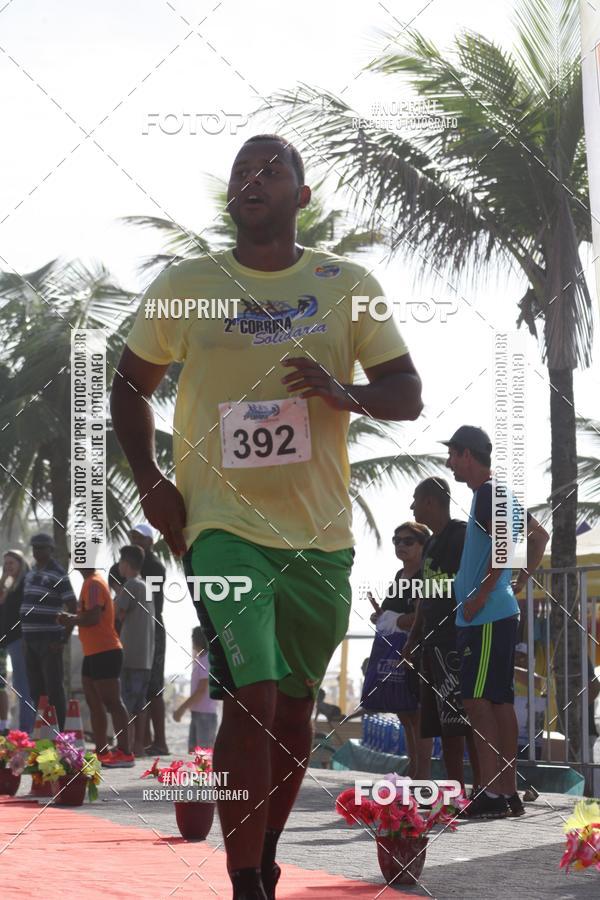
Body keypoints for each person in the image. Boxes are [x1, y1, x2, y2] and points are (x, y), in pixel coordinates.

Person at [110, 133, 422, 900]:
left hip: (321, 538)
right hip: (219, 527)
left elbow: (407, 393)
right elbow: (128, 385)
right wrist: (151, 479)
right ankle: (245, 879)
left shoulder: (349, 283)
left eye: (272, 169)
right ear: (232, 195)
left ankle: (266, 847)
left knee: (291, 714)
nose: (255, 177)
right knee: (250, 697)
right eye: (243, 170)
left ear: (301, 197)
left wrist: (341, 393)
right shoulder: (187, 283)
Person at [444, 425, 549, 818]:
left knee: (477, 701)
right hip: (495, 612)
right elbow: (539, 537)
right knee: (499, 700)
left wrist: (486, 592)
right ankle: (506, 792)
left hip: (486, 616)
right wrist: (519, 581)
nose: (449, 463)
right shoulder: (497, 494)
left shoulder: (489, 492)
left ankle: (492, 792)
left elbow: (508, 543)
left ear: (467, 455)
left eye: (453, 455)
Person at [403, 478, 481, 794]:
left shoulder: (461, 536)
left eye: (415, 500)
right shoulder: (433, 543)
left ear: (430, 502)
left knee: (467, 724)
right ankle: (455, 792)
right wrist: (413, 638)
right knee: (443, 726)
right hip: (431, 645)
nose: (412, 507)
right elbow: (424, 595)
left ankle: (483, 787)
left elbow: (472, 582)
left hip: (455, 640)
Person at [371, 521, 433, 779]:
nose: (400, 545)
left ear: (423, 545)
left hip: (421, 650)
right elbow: (391, 613)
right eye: (396, 541)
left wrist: (393, 619)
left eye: (408, 541)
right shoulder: (400, 576)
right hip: (398, 651)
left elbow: (421, 616)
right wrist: (382, 617)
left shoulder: (426, 576)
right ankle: (414, 770)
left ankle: (422, 776)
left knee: (419, 716)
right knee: (405, 714)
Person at [57, 568, 133, 767]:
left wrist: (70, 619)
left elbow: (93, 618)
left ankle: (125, 752)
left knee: (112, 702)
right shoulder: (89, 582)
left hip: (105, 650)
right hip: (92, 652)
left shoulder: (93, 583)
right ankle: (102, 751)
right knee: (94, 703)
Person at [109, 524, 168, 755]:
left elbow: (129, 598)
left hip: (152, 628)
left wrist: (121, 592)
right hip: (127, 629)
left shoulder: (155, 568)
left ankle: (159, 741)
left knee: (153, 687)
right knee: (132, 690)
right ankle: (140, 741)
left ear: (150, 542)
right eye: (132, 537)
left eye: (140, 538)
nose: (135, 541)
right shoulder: (118, 566)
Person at [20, 533, 76, 730]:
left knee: (53, 689)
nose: (37, 551)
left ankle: (60, 732)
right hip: (30, 639)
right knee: (36, 691)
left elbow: (73, 607)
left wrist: (63, 639)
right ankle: (43, 732)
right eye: (35, 547)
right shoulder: (31, 573)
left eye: (42, 547)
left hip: (50, 639)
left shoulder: (58, 573)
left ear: (51, 550)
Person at [115, 545, 155, 758]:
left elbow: (118, 613)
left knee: (125, 703)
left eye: (120, 562)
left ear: (126, 564)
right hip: (145, 655)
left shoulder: (131, 584)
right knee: (140, 704)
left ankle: (126, 745)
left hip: (130, 654)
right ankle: (138, 745)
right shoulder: (145, 585)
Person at [0, 550, 35, 733]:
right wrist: (4, 576)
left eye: (11, 563)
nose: (7, 567)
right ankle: (26, 728)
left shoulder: (25, 583)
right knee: (20, 685)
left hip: (20, 640)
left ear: (21, 563)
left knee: (23, 686)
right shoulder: (13, 584)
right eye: (5, 564)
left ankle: (27, 730)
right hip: (12, 641)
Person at [174, 627, 220, 751]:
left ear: (196, 640)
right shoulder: (201, 659)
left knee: (203, 757)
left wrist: (181, 708)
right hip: (198, 714)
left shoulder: (206, 660)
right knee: (194, 755)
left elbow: (201, 690)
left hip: (205, 716)